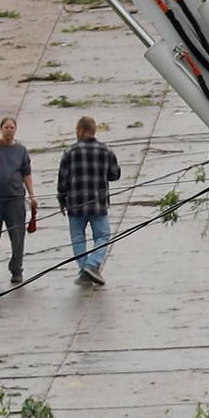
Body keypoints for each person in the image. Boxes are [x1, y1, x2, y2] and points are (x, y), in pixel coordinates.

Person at [57, 115, 121, 288]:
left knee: (78, 238)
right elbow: (115, 174)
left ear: (80, 130)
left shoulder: (69, 152)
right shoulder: (105, 151)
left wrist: (61, 199)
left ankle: (85, 269)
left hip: (75, 204)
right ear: (94, 130)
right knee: (103, 236)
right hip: (98, 203)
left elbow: (62, 179)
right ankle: (92, 266)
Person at [0, 116, 35, 285]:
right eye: (6, 127)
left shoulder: (21, 151)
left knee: (17, 236)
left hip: (15, 199)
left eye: (12, 127)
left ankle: (16, 270)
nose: (9, 130)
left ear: (15, 130)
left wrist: (32, 195)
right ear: (1, 129)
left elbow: (26, 172)